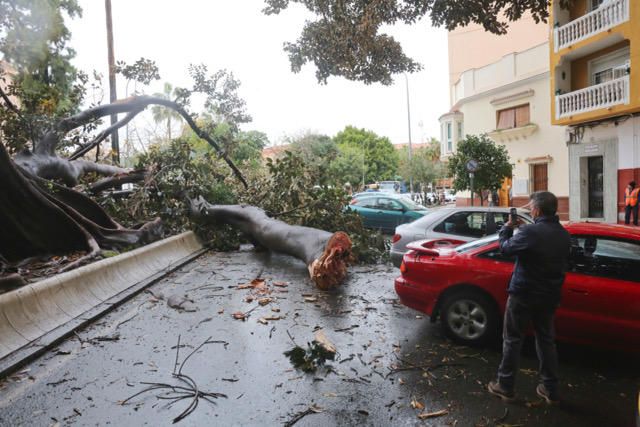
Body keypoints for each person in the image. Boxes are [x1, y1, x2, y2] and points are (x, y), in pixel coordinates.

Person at [488, 191, 570, 405]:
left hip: (523, 294)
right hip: (549, 296)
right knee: (546, 341)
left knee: (513, 339)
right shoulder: (564, 234)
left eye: (532, 206)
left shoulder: (531, 231)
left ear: (538, 210)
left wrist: (507, 228)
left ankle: (505, 386)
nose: (530, 210)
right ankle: (550, 389)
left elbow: (505, 249)